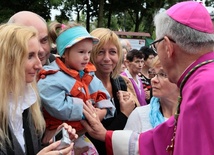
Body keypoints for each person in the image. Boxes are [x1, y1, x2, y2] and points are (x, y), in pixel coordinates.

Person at [80, 1, 214, 155]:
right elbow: (163, 137)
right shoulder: (202, 81)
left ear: (167, 46)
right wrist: (106, 135)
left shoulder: (204, 87)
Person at [37, 22, 116, 154]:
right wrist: (88, 112)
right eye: (81, 52)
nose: (86, 57)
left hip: (80, 134)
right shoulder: (51, 77)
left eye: (89, 52)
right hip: (59, 135)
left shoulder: (88, 73)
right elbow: (58, 107)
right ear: (64, 53)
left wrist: (103, 110)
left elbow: (102, 93)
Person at [0, 23, 77, 155]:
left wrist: (53, 144)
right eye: (30, 56)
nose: (39, 65)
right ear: (8, 61)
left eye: (38, 55)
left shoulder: (28, 101)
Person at [87, 28, 138, 155]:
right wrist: (124, 114)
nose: (107, 58)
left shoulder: (120, 82)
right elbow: (94, 137)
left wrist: (132, 107)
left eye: (112, 52)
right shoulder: (83, 87)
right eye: (100, 52)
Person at [124, 56, 179, 132]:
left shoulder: (194, 116)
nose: (153, 80)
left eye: (163, 74)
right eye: (154, 74)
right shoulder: (140, 115)